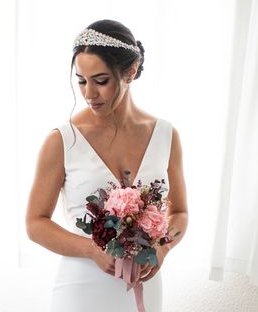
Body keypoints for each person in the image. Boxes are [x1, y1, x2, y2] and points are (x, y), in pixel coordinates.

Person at [25, 19, 188, 312]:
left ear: (131, 71)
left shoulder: (166, 135)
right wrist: (92, 250)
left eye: (101, 81)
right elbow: (35, 223)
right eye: (81, 81)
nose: (89, 94)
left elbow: (179, 212)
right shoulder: (62, 140)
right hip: (81, 289)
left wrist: (163, 248)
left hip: (145, 285)